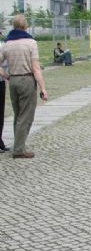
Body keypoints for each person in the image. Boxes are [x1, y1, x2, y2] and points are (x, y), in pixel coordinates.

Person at [0, 14, 47, 158]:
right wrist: (43, 88)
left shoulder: (7, 44)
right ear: (25, 26)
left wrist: (6, 75)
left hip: (13, 80)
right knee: (26, 115)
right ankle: (19, 149)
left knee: (18, 114)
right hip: (26, 80)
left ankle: (18, 144)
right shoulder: (31, 43)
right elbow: (36, 68)